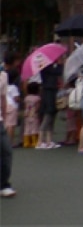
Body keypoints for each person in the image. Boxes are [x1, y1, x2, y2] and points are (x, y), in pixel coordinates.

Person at [0, 66, 13, 198]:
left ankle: (3, 184)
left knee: (6, 151)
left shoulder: (3, 76)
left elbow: (3, 98)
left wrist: (3, 117)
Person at [22, 82, 41, 150]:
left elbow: (25, 106)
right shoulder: (38, 98)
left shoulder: (26, 98)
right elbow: (38, 107)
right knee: (34, 128)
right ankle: (34, 142)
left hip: (27, 114)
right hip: (34, 114)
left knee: (27, 128)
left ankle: (26, 142)